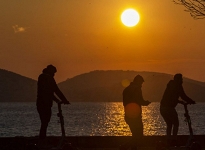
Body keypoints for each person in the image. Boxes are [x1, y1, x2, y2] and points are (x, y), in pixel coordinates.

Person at [36, 65, 70, 148]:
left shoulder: (41, 77)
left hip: (40, 103)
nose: (54, 75)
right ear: (50, 71)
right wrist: (65, 100)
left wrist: (57, 100)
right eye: (54, 73)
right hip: (45, 104)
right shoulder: (48, 78)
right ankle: (42, 141)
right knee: (45, 122)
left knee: (44, 123)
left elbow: (49, 92)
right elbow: (56, 90)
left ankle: (42, 141)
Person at [160, 73, 195, 146]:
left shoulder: (170, 84)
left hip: (162, 108)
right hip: (169, 108)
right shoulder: (178, 86)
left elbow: (170, 97)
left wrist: (179, 101)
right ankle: (174, 140)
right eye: (181, 79)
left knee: (169, 124)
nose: (182, 80)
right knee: (176, 123)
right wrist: (191, 101)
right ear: (178, 79)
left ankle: (168, 140)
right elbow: (183, 96)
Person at [120, 75, 151, 150]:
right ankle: (124, 147)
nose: (141, 85)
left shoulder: (126, 89)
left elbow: (125, 103)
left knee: (135, 135)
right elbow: (139, 100)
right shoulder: (137, 89)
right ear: (138, 82)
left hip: (127, 116)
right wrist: (146, 103)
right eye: (141, 83)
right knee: (139, 136)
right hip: (136, 116)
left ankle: (129, 147)